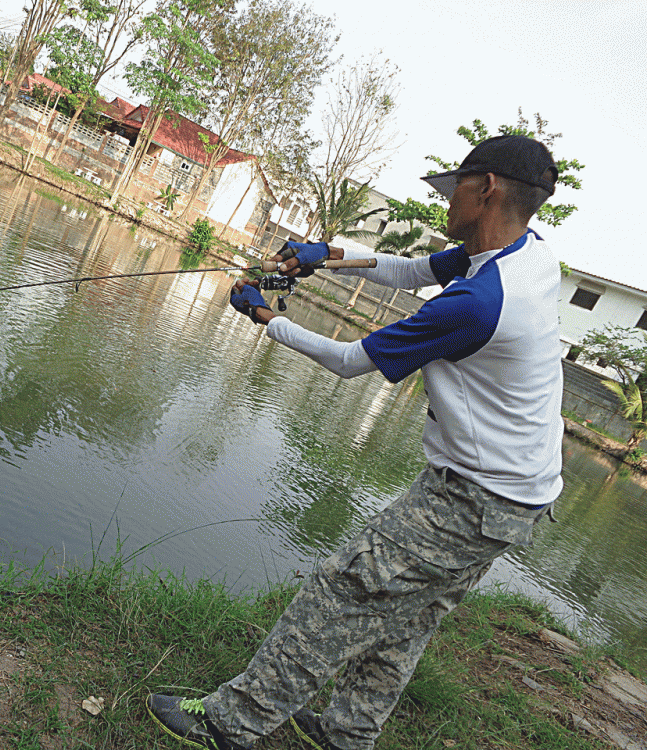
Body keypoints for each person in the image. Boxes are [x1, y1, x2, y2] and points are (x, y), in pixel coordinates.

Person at [146, 134, 563, 750]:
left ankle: (231, 723)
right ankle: (346, 733)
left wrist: (266, 317)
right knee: (408, 618)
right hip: (520, 496)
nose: (449, 202)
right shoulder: (523, 257)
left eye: (457, 189)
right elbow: (411, 270)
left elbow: (348, 360)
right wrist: (325, 254)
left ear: (488, 189)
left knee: (344, 589)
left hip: (474, 498)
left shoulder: (480, 302)